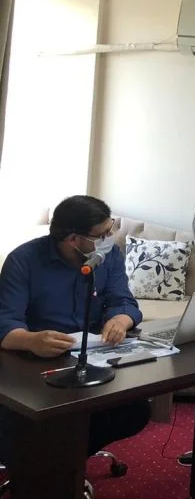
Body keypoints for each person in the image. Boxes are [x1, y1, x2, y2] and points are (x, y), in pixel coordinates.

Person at [0, 195, 151, 461]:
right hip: (37, 364)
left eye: (110, 229)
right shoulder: (23, 260)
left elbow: (123, 301)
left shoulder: (109, 255)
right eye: (102, 235)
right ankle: (51, 466)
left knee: (135, 410)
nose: (109, 238)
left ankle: (64, 463)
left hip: (92, 357)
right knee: (29, 421)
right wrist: (31, 340)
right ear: (73, 239)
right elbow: (5, 322)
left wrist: (120, 320)